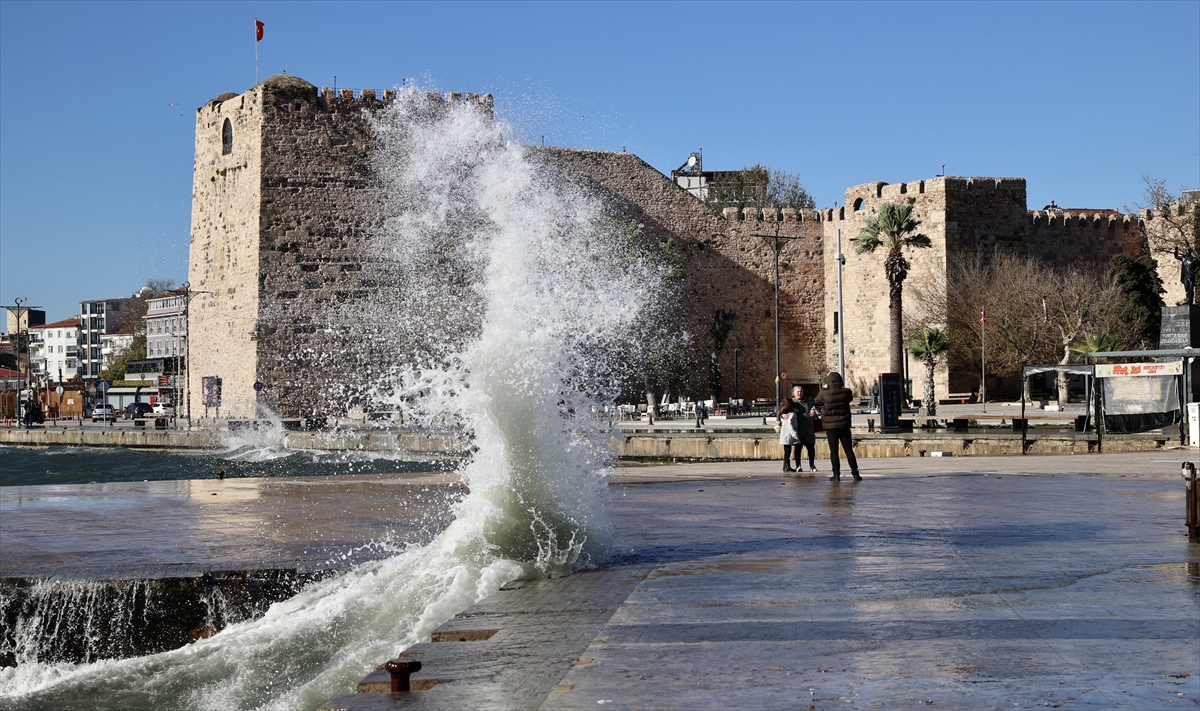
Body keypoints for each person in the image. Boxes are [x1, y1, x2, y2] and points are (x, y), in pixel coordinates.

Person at [814, 372, 861, 482]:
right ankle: (855, 474)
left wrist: (823, 389)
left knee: (834, 451)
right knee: (849, 450)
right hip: (844, 425)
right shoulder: (846, 392)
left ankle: (836, 475)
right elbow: (849, 399)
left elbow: (817, 401)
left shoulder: (825, 394)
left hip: (830, 427)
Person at [790, 388, 817, 473]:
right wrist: (782, 415)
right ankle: (798, 465)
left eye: (801, 391)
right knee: (798, 448)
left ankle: (812, 465)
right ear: (793, 393)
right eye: (797, 391)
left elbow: (813, 409)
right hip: (798, 429)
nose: (799, 393)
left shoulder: (807, 401)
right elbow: (783, 410)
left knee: (811, 448)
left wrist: (813, 412)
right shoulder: (791, 402)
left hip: (808, 429)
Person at [778, 399, 799, 473]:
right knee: (787, 451)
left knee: (787, 451)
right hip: (788, 435)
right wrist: (794, 434)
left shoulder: (785, 414)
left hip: (785, 435)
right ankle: (786, 466)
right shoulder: (791, 414)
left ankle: (786, 466)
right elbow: (790, 425)